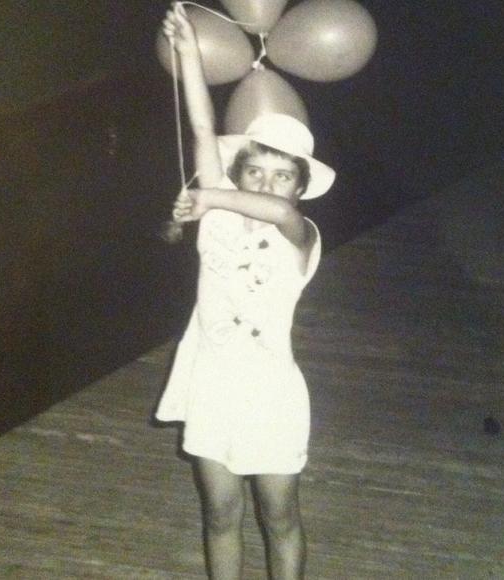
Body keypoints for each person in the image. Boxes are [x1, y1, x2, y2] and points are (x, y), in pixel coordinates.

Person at [155, 4, 335, 579]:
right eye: (254, 171)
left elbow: (278, 213)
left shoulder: (300, 235)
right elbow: (202, 128)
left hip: (271, 394)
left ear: (299, 189)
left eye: (283, 176)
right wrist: (189, 52)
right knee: (220, 514)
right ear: (238, 174)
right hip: (211, 385)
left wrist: (209, 197)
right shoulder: (219, 217)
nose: (267, 184)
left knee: (279, 517)